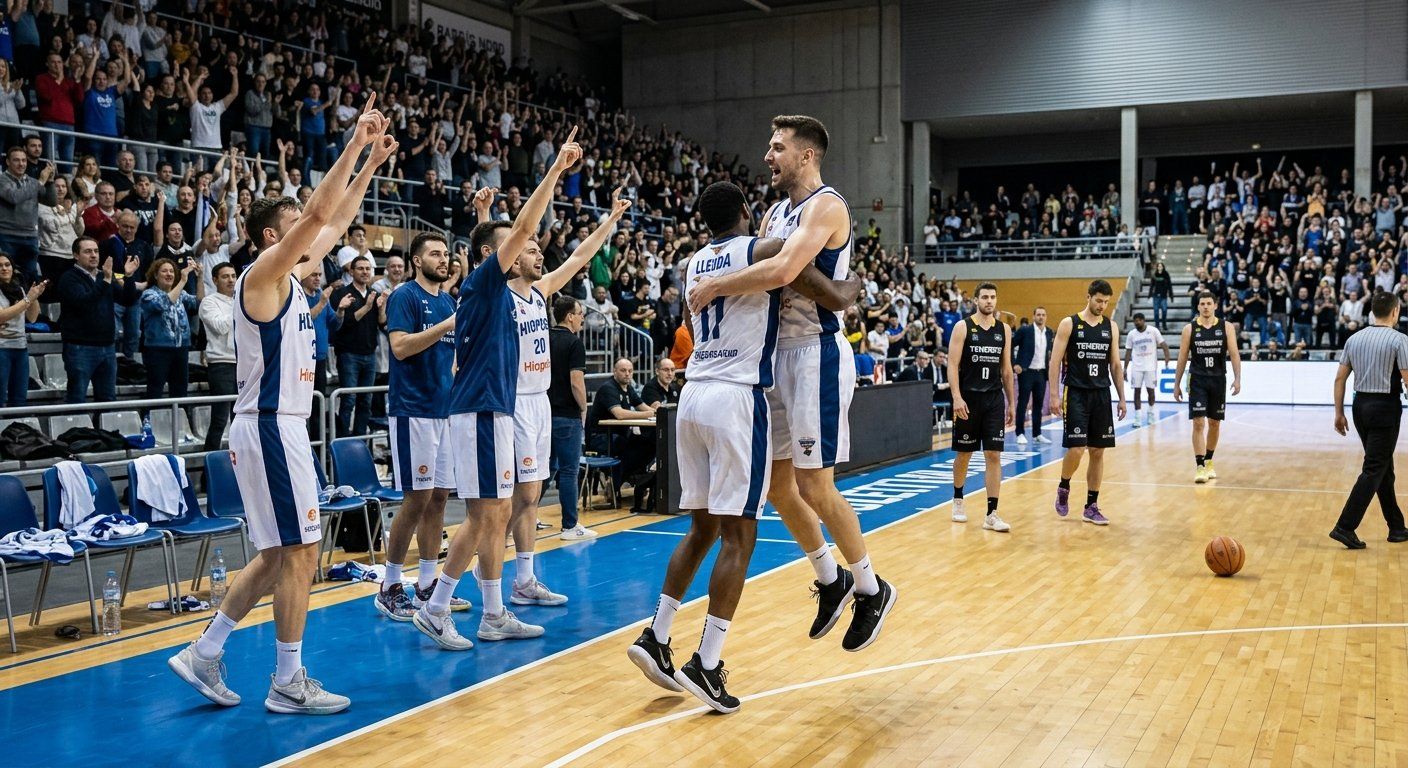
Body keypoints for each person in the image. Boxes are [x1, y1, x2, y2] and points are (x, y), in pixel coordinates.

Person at [166, 95, 394, 714]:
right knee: (301, 551)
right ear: (274, 235)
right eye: (298, 224)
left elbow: (337, 220)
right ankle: (288, 682)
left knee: (278, 552)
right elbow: (322, 210)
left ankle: (204, 652)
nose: (312, 231)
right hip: (270, 426)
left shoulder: (292, 278)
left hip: (275, 427)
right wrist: (354, 142)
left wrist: (370, 163)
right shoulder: (261, 276)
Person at [628, 180, 858, 712]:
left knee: (703, 527)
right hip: (736, 398)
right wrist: (846, 293)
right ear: (749, 214)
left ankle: (657, 635)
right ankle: (707, 663)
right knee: (739, 537)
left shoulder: (692, 265)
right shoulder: (759, 248)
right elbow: (796, 268)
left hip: (692, 396)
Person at [686, 115, 895, 651]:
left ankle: (871, 587)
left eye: (776, 147)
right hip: (775, 355)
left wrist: (716, 284)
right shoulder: (777, 210)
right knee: (778, 486)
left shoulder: (828, 205)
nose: (767, 155)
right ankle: (830, 577)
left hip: (815, 355)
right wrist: (838, 289)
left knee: (815, 485)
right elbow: (784, 269)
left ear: (806, 155)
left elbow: (781, 272)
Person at [410, 126, 583, 652]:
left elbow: (511, 236)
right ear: (495, 255)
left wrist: (487, 217)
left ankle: (490, 612)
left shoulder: (505, 290)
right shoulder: (485, 282)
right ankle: (437, 607)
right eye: (518, 246)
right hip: (482, 409)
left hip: (498, 409)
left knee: (499, 512)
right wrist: (554, 169)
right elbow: (521, 226)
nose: (528, 248)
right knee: (486, 513)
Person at [499, 186, 633, 610]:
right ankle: (476, 584)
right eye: (532, 250)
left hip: (539, 402)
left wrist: (610, 221)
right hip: (513, 401)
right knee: (510, 499)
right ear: (512, 254)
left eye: (541, 251)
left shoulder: (541, 293)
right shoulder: (500, 294)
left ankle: (525, 578)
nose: (540, 257)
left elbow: (579, 259)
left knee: (532, 497)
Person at [373, 231, 472, 622]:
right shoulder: (404, 296)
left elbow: (448, 356)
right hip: (412, 410)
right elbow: (400, 347)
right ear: (417, 260)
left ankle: (428, 581)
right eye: (434, 253)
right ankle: (390, 584)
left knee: (440, 497)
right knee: (416, 497)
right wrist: (448, 322)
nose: (443, 259)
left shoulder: (447, 299)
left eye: (446, 254)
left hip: (442, 410)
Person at [1330, 290, 1408, 549]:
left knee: (1383, 467)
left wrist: (1338, 412)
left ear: (1373, 311)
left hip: (1359, 406)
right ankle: (1345, 526)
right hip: (1385, 407)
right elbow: (1407, 379)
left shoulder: (1354, 339)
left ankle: (1396, 527)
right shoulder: (1399, 340)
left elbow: (1340, 379)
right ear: (1395, 311)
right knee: (1374, 468)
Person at [1047, 280, 1126, 525]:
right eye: (1099, 300)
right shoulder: (1069, 323)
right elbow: (1055, 361)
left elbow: (1114, 364)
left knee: (1098, 451)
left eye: (1106, 302)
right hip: (1076, 392)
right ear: (1089, 297)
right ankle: (1064, 485)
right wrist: (1054, 395)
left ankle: (1091, 505)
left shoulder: (1110, 327)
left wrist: (1122, 398)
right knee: (1077, 448)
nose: (1102, 305)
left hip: (1101, 393)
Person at [946, 282, 1015, 532]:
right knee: (964, 453)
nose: (989, 301)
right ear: (976, 300)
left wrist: (1012, 402)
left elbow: (1006, 369)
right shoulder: (963, 327)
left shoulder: (1004, 329)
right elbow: (952, 365)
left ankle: (992, 513)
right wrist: (956, 397)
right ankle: (957, 499)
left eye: (993, 297)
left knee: (994, 454)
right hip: (968, 399)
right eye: (985, 297)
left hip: (994, 399)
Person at [56, 236, 139, 404]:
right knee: (76, 398)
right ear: (76, 255)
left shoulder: (103, 276)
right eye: (87, 251)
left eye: (96, 251)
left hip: (107, 347)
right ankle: (78, 430)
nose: (94, 255)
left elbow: (128, 299)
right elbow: (85, 303)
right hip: (80, 348)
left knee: (108, 399)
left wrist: (129, 276)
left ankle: (103, 431)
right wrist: (107, 281)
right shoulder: (69, 278)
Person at [1174, 291, 1243, 484]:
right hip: (1197, 380)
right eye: (1202, 303)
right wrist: (1176, 384)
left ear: (1215, 305)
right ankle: (1199, 465)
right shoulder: (1189, 329)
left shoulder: (1226, 327)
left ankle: (1209, 459)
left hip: (1218, 380)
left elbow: (1235, 354)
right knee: (1198, 423)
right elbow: (1182, 357)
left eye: (1208, 303)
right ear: (1198, 307)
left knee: (1214, 423)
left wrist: (1238, 379)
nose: (1205, 306)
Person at [547, 295, 595, 541]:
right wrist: (583, 408)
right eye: (580, 315)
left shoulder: (544, 338)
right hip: (566, 416)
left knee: (544, 471)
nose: (582, 319)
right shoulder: (574, 343)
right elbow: (577, 382)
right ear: (570, 316)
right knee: (568, 471)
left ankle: (521, 518)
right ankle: (569, 525)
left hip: (544, 414)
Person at [329, 255, 381, 436]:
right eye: (361, 268)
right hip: (348, 353)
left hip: (370, 353)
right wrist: (367, 307)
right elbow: (343, 323)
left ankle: (360, 440)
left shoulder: (375, 294)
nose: (365, 272)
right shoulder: (341, 294)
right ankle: (343, 440)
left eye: (368, 269)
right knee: (349, 399)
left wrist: (381, 308)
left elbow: (381, 324)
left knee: (366, 401)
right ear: (351, 272)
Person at [138, 257, 202, 401]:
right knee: (155, 389)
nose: (169, 274)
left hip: (181, 348)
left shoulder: (181, 294)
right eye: (164, 271)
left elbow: (199, 303)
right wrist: (183, 281)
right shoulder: (149, 294)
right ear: (155, 275)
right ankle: (150, 420)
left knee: (180, 390)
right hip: (157, 349)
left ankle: (179, 420)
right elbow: (164, 304)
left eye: (172, 271)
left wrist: (200, 278)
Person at [200, 262, 237, 450]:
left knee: (241, 421)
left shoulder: (240, 300)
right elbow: (220, 327)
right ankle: (209, 473)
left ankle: (241, 466)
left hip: (242, 364)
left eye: (233, 275)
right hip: (221, 364)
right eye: (225, 276)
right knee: (220, 420)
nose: (231, 280)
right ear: (215, 280)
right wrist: (239, 306)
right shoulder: (209, 302)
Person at [0, 254, 43, 407]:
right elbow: (2, 316)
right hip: (2, 349)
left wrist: (34, 296)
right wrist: (27, 300)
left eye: (7, 265)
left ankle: (16, 429)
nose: (4, 268)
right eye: (0, 266)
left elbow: (32, 318)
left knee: (19, 399)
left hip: (20, 348)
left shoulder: (19, 288)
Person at [1012, 306, 1054, 446]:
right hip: (1026, 371)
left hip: (1041, 373)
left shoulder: (1049, 332)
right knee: (1023, 403)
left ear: (1046, 316)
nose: (1041, 317)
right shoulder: (1025, 330)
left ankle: (1037, 434)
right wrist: (1014, 364)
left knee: (1038, 405)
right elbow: (1010, 345)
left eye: (1043, 314)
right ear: (1033, 316)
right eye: (1038, 314)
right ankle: (1020, 433)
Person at [1124, 312, 1171, 428]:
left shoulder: (1153, 331)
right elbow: (1128, 352)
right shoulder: (1131, 334)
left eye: (1139, 320)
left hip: (1150, 367)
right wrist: (1125, 368)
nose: (1137, 322)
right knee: (1136, 392)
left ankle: (1151, 413)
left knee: (1151, 392)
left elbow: (1164, 345)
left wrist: (1167, 358)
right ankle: (1138, 418)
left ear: (1144, 320)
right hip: (1136, 367)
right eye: (1135, 320)